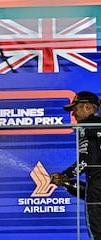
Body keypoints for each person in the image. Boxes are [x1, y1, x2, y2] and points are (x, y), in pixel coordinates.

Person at [50, 91, 101, 240]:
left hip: (97, 193)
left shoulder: (86, 127)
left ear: (87, 107)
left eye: (75, 108)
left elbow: (85, 160)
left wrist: (65, 175)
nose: (73, 114)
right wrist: (66, 182)